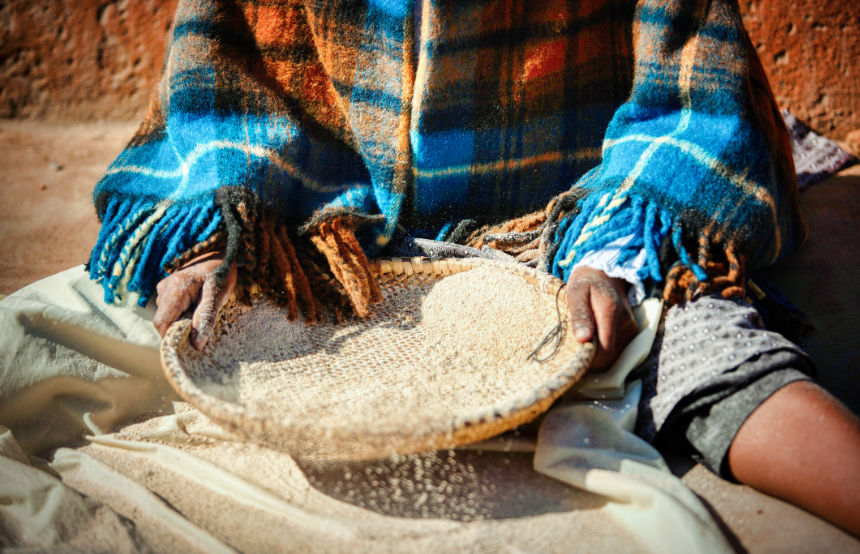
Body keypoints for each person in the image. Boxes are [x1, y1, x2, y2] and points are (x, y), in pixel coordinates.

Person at [3, 0, 860, 537]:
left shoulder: (599, 237)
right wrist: (214, 232)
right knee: (54, 327)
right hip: (327, 227)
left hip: (568, 222)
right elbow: (219, 78)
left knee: (711, 349)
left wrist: (616, 255)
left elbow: (691, 89)